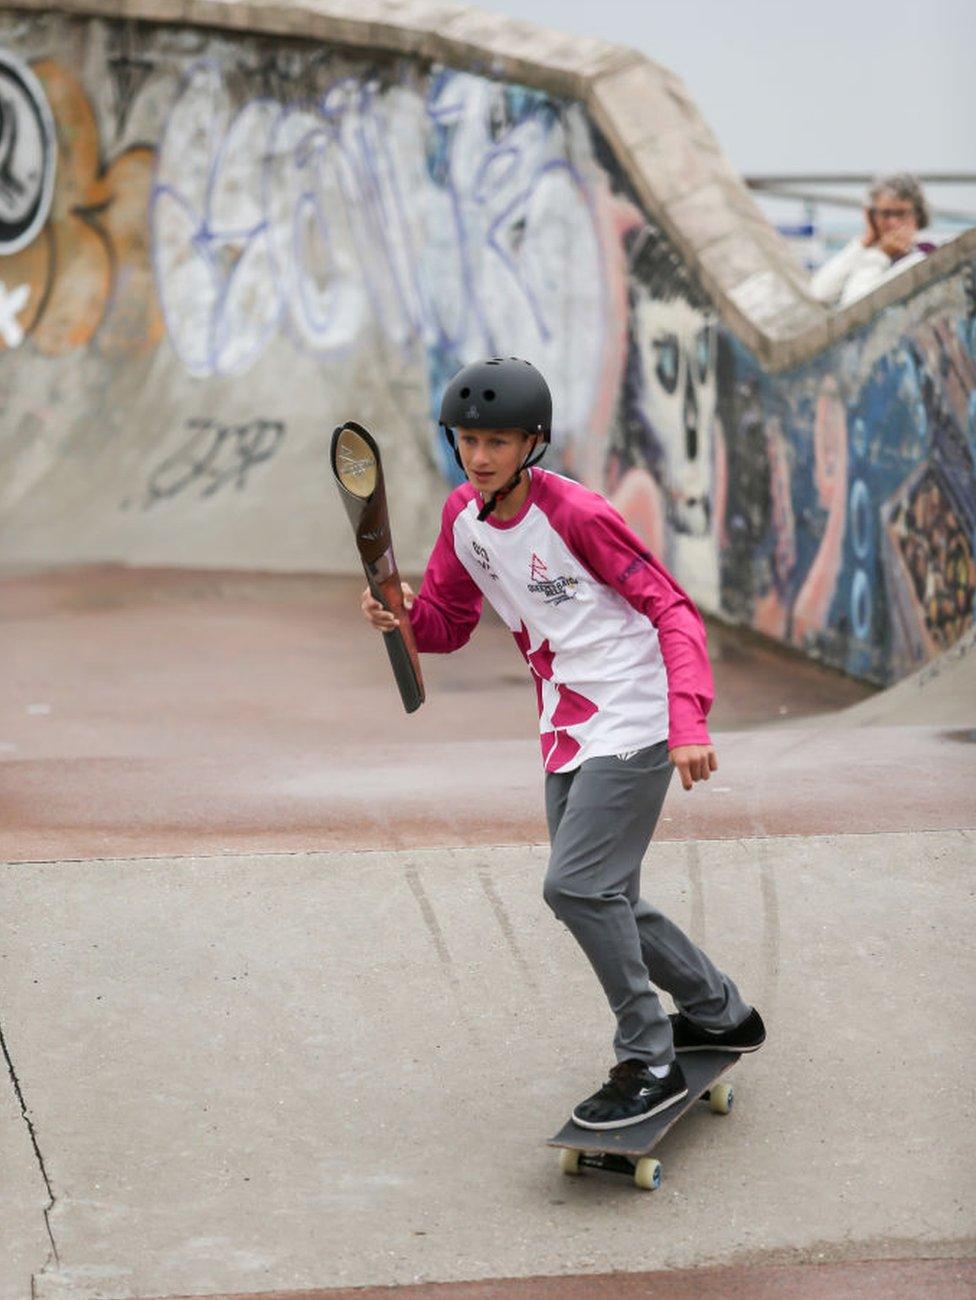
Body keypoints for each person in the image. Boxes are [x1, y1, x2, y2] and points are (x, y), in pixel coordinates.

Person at [360, 357, 765, 1130]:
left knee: (575, 887)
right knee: (608, 895)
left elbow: (673, 610)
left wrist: (688, 721)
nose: (480, 458)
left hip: (637, 714)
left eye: (499, 442)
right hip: (567, 724)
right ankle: (720, 1011)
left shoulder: (576, 515)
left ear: (532, 443)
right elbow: (447, 627)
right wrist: (403, 615)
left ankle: (647, 1058)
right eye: (468, 440)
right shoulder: (464, 519)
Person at [810, 173, 935, 308]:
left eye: (901, 213)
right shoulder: (867, 255)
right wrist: (865, 243)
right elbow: (819, 293)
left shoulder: (924, 257)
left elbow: (856, 306)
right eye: (885, 214)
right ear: (872, 216)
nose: (893, 222)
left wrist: (880, 255)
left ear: (918, 215)